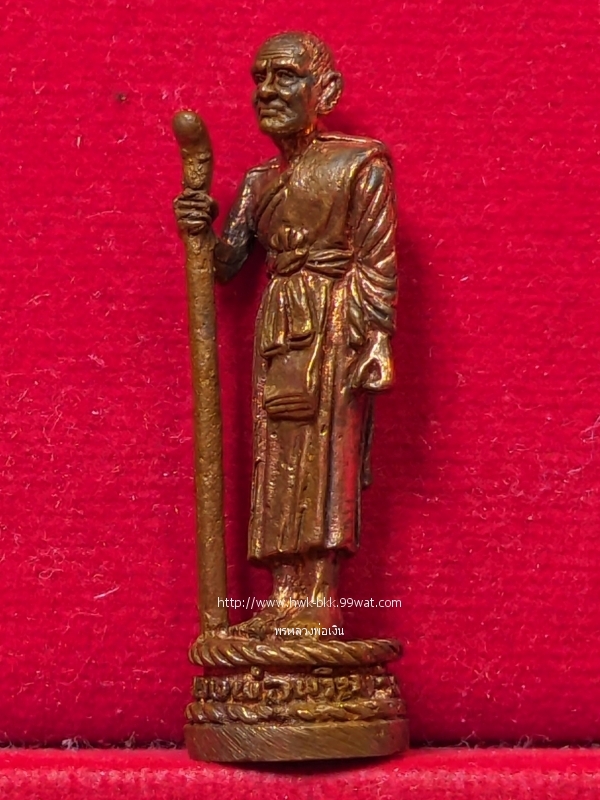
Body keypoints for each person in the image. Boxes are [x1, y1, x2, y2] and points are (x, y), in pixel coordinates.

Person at [174, 31, 397, 638]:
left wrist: (377, 341)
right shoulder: (257, 182)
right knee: (276, 457)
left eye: (286, 76)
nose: (268, 91)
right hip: (279, 330)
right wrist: (199, 227)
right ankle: (285, 600)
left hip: (334, 324)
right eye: (259, 79)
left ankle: (318, 604)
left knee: (323, 457)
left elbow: (377, 261)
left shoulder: (360, 164)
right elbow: (225, 265)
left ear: (326, 90)